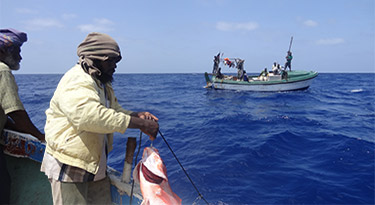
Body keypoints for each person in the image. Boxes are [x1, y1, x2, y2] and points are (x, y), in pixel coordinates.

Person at [40, 32, 159, 204]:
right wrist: (140, 124)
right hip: (70, 165)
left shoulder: (101, 82)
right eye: (110, 61)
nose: (114, 66)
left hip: (93, 166)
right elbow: (90, 117)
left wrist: (136, 115)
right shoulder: (77, 79)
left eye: (116, 61)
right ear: (95, 58)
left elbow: (113, 109)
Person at [0, 28, 45, 204]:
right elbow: (16, 113)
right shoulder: (2, 70)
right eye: (17, 51)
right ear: (2, 50)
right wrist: (40, 136)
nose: (20, 57)